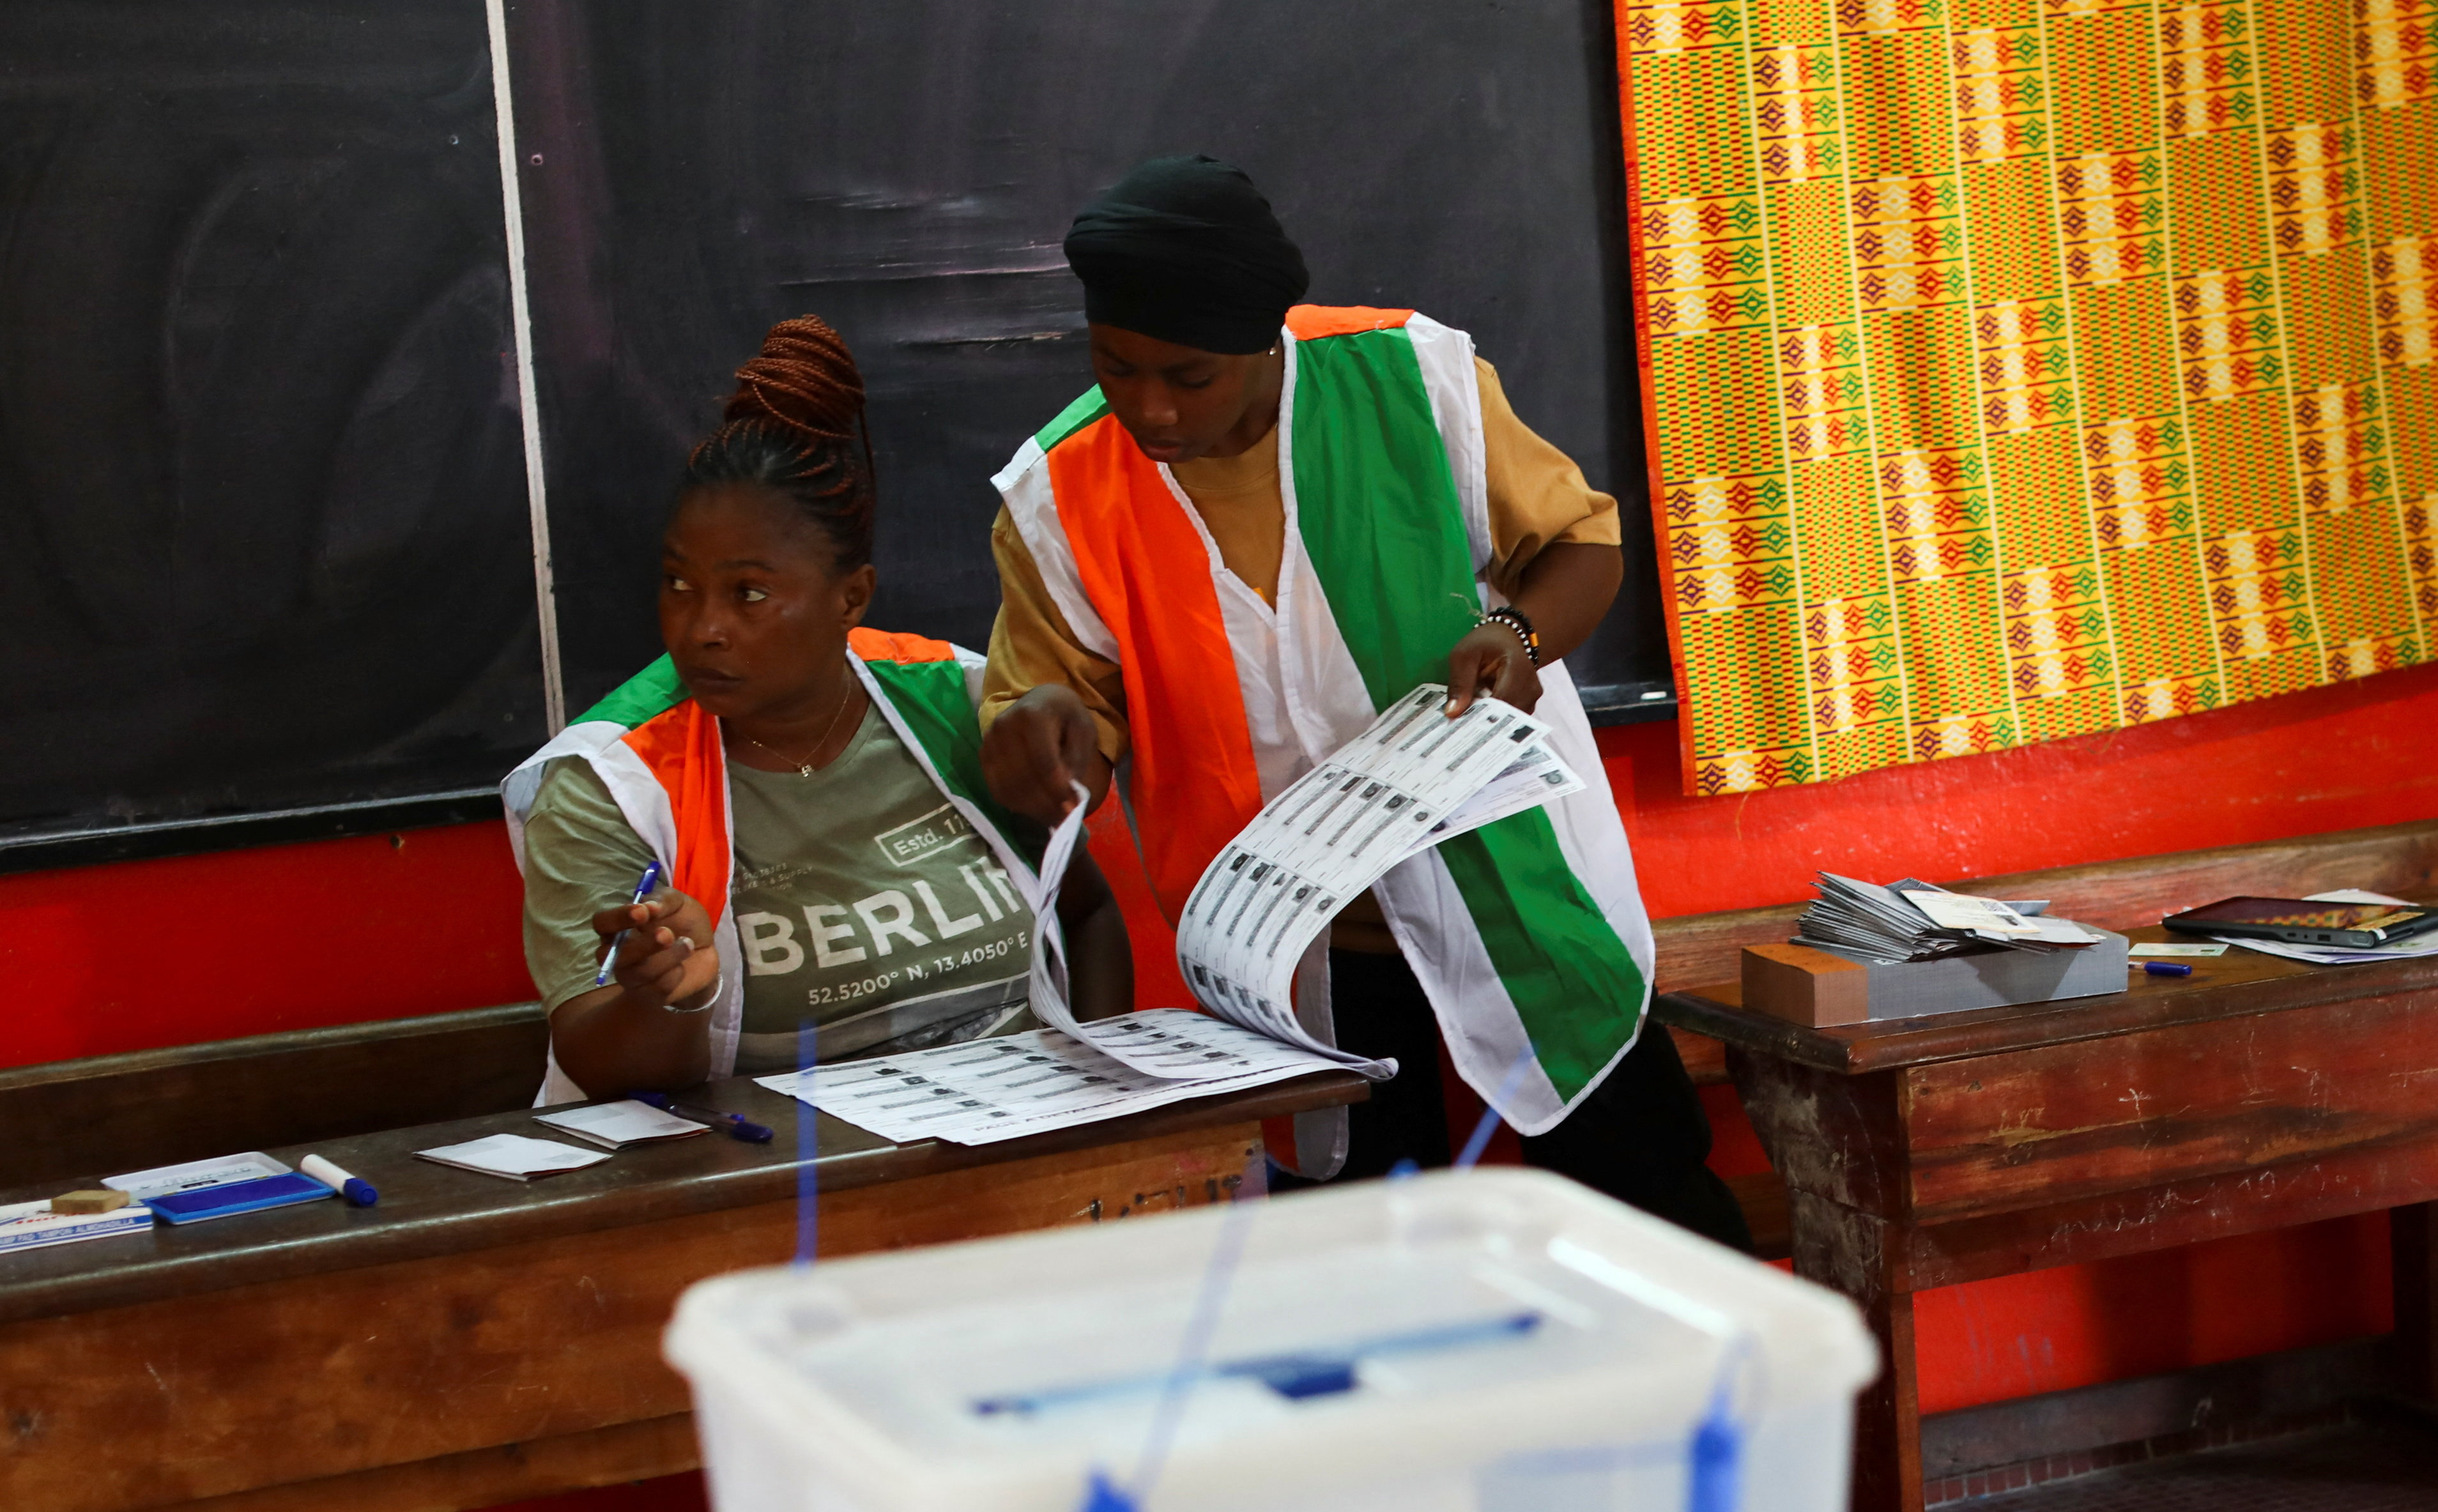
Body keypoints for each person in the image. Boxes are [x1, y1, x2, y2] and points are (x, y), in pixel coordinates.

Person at [977, 155, 1749, 1248]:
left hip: (1512, 878)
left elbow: (1581, 543)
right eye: (1116, 367)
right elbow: (1066, 716)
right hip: (1289, 944)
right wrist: (1043, 743)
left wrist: (1517, 638)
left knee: (1647, 1192)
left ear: (1264, 339)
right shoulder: (1058, 496)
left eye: (1189, 376)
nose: (1150, 408)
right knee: (1361, 1255)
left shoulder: (1409, 379)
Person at [505, 317, 1126, 1104]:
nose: (703, 629)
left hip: (1020, 1145)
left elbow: (1091, 913)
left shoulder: (954, 701)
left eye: (750, 594)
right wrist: (669, 996)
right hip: (778, 1186)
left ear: (851, 597)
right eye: (679, 585)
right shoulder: (610, 781)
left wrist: (1111, 1114)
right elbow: (600, 1065)